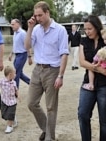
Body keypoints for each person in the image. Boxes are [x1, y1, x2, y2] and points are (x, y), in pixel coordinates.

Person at [25, 1, 69, 141]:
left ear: (47, 13)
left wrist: (60, 75)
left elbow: (64, 54)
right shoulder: (36, 29)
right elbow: (27, 46)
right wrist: (30, 28)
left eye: (40, 15)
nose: (38, 18)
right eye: (36, 15)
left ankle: (50, 137)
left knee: (51, 107)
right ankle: (46, 129)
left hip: (53, 70)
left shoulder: (60, 30)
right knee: (31, 103)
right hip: (38, 69)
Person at [0, 66, 19, 134]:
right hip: (5, 101)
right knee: (4, 115)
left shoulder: (14, 82)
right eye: (15, 73)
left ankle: (9, 126)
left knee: (10, 114)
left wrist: (18, 96)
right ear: (10, 74)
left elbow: (16, 90)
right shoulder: (2, 81)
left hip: (12, 102)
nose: (15, 75)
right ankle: (13, 119)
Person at [8, 18, 32, 88]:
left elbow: (27, 45)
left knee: (15, 73)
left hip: (22, 55)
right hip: (17, 55)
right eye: (11, 24)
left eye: (13, 24)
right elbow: (15, 45)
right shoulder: (15, 33)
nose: (11, 26)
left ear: (18, 24)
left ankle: (15, 90)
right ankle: (31, 83)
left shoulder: (22, 33)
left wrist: (29, 57)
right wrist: (11, 53)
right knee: (19, 72)